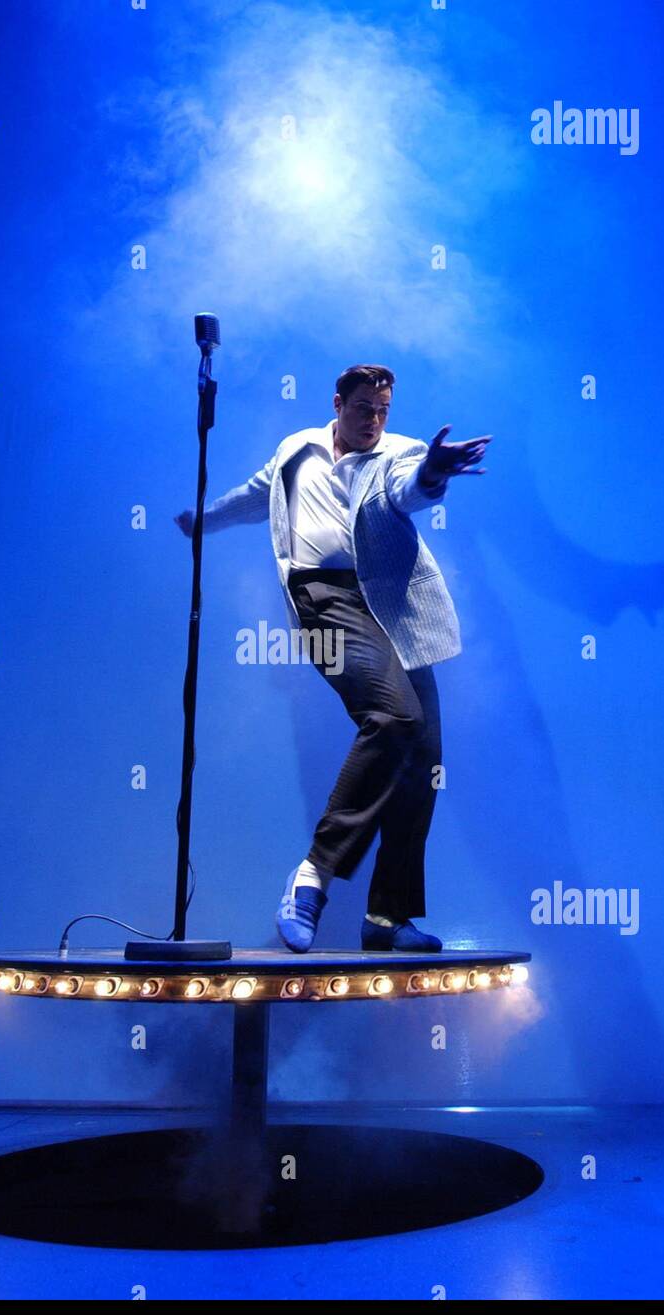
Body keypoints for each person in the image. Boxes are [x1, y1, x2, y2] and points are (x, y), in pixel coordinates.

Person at [175, 364, 491, 954]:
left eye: (382, 411)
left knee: (422, 754)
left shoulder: (399, 453)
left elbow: (409, 488)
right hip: (324, 599)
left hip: (393, 605)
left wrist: (432, 473)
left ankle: (386, 917)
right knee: (395, 718)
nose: (373, 421)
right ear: (337, 403)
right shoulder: (297, 448)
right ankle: (311, 879)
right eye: (363, 408)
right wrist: (203, 523)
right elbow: (255, 496)